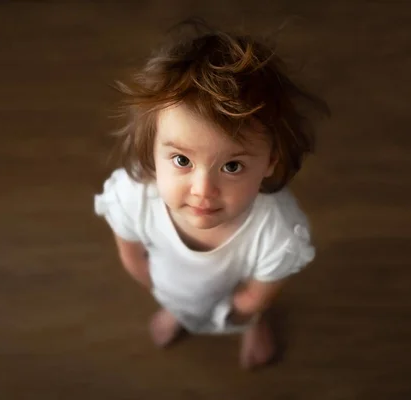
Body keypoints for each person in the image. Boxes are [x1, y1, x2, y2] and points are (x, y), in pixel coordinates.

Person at [94, 19, 328, 369]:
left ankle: (252, 329)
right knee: (184, 304)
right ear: (152, 152)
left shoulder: (278, 232)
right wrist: (171, 299)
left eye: (232, 166)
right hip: (170, 290)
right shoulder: (133, 198)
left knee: (248, 313)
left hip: (233, 302)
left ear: (269, 162)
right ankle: (182, 315)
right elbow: (134, 259)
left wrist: (242, 314)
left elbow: (253, 295)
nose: (203, 191)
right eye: (182, 160)